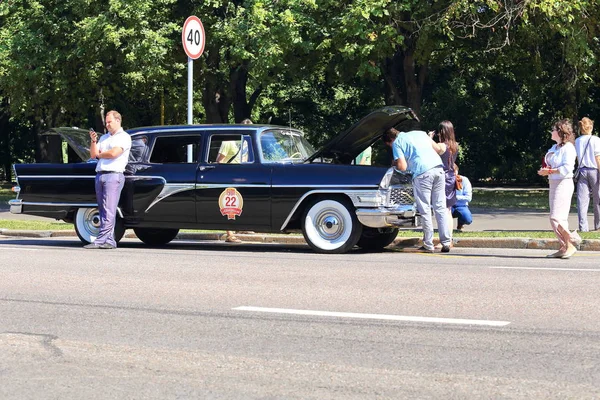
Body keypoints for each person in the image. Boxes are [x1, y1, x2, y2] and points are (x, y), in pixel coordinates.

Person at [382, 127, 452, 253]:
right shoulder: (421, 133)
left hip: (422, 173)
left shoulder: (398, 143)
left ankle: (428, 244)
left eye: (389, 146)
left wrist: (395, 164)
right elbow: (438, 149)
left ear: (391, 140)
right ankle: (446, 242)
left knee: (424, 209)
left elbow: (402, 166)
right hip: (438, 169)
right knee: (440, 207)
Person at [86, 110, 132, 249]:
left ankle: (101, 240)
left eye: (109, 122)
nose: (107, 125)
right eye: (106, 122)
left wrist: (100, 154)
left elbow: (114, 153)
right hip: (100, 174)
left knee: (109, 209)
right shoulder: (104, 137)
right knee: (102, 209)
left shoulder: (124, 137)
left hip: (114, 175)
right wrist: (94, 140)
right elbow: (93, 154)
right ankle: (109, 240)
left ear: (118, 121)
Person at [537, 119, 579, 259]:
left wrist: (549, 172)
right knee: (558, 218)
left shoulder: (569, 148)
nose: (551, 132)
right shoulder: (554, 148)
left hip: (564, 183)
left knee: (556, 217)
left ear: (560, 132)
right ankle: (564, 246)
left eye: (553, 130)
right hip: (554, 183)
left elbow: (566, 168)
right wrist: (545, 170)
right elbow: (550, 164)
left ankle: (571, 242)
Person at [217, 118, 253, 243]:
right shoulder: (229, 141)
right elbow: (219, 161)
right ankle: (229, 234)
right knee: (229, 205)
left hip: (242, 176)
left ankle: (241, 227)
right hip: (229, 177)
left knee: (241, 203)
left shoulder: (246, 143)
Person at [574, 117, 600, 231]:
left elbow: (576, 157)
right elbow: (597, 158)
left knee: (582, 200)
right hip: (594, 170)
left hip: (581, 170)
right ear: (591, 127)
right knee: (598, 198)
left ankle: (583, 227)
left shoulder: (577, 141)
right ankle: (598, 225)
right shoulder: (596, 140)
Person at [451, 164, 473, 231]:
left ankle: (460, 224)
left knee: (468, 219)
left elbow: (468, 198)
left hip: (461, 205)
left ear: (457, 171)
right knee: (443, 215)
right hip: (448, 206)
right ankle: (446, 228)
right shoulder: (443, 180)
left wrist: (455, 197)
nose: (452, 174)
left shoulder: (464, 180)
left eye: (454, 171)